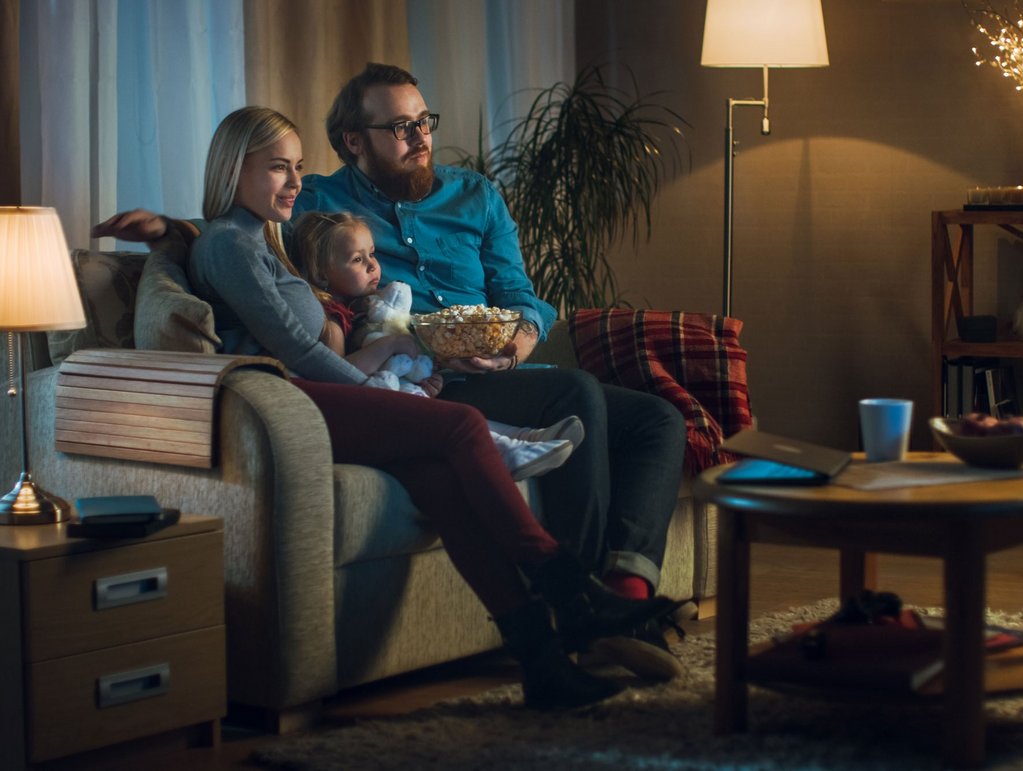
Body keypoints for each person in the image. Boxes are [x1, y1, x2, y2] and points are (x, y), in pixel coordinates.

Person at [97, 105, 687, 709]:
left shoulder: (256, 237)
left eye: (298, 167)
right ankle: (570, 592)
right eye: (279, 168)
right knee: (457, 424)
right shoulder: (229, 243)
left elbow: (213, 242)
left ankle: (542, 663)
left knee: (440, 479)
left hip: (312, 394)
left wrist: (172, 227)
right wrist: (382, 396)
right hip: (285, 401)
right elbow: (295, 347)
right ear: (233, 168)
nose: (296, 182)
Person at [290, 63, 689, 666]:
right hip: (424, 386)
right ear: (354, 140)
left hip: (503, 373)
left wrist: (519, 344)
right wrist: (171, 234)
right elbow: (234, 226)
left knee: (658, 420)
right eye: (400, 127)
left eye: (424, 121)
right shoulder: (319, 201)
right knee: (576, 393)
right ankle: (579, 617)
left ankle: (623, 593)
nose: (421, 138)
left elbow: (520, 293)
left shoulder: (474, 194)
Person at [291, 208, 583, 482]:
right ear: (321, 274)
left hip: (394, 391)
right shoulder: (331, 322)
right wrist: (390, 345)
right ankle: (509, 451)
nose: (372, 266)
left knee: (438, 405)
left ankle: (527, 438)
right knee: (449, 418)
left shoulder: (367, 310)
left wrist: (424, 374)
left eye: (372, 254)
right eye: (357, 260)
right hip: (370, 412)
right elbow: (337, 378)